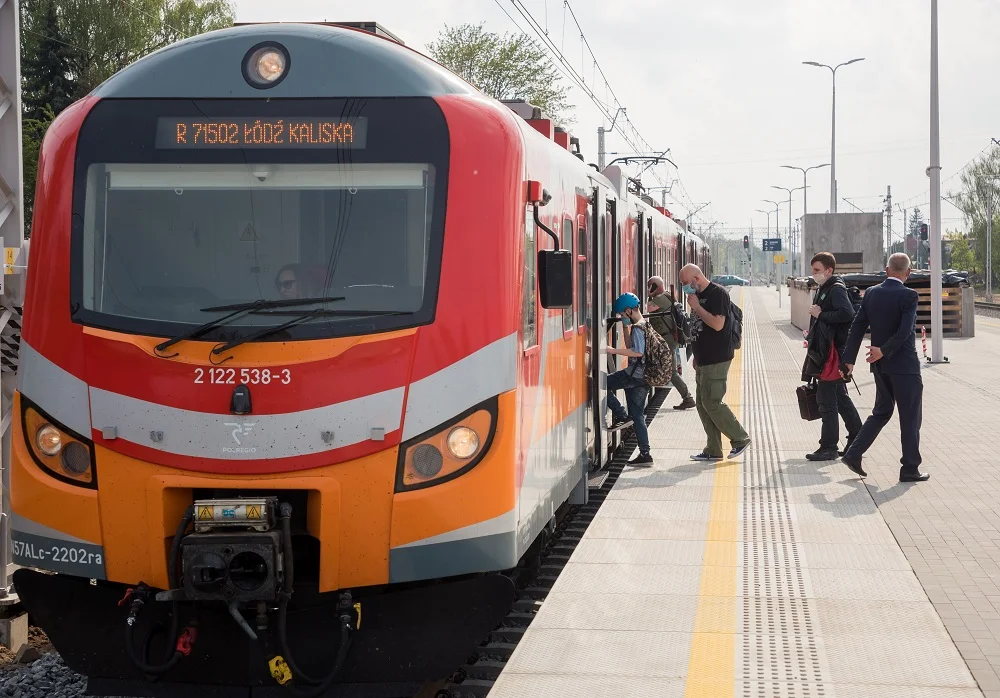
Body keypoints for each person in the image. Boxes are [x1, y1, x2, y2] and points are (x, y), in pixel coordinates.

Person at [841, 253, 928, 482]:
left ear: (886, 270)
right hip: (905, 367)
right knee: (909, 418)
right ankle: (910, 469)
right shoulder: (909, 296)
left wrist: (848, 359)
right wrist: (884, 350)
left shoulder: (871, 293)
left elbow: (857, 327)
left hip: (880, 367)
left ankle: (854, 453)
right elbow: (905, 331)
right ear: (908, 273)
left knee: (881, 412)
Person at [679, 264, 751, 462]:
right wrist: (696, 356)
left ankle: (740, 438)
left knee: (712, 402)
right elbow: (698, 328)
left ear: (696, 278)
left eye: (685, 283)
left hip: (717, 357)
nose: (684, 287)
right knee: (703, 404)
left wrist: (696, 307)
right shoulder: (698, 296)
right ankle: (713, 449)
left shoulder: (717, 293)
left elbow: (718, 324)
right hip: (703, 358)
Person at [800, 252, 864, 461]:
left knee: (826, 400)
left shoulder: (835, 289)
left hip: (833, 354)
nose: (814, 274)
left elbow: (847, 314)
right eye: (813, 270)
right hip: (829, 351)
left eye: (817, 270)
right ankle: (857, 437)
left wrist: (820, 315)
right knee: (839, 398)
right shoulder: (825, 287)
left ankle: (828, 446)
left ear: (829, 270)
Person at [605, 292, 653, 467]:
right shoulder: (643, 325)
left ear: (628, 310)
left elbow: (638, 352)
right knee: (638, 415)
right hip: (643, 377)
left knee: (600, 384)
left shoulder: (639, 328)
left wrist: (611, 350)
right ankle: (645, 454)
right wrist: (625, 326)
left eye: (622, 314)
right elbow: (630, 345)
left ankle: (621, 415)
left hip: (634, 375)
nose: (621, 317)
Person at [646, 276, 696, 410]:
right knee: (665, 371)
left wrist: (650, 295)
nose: (647, 289)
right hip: (668, 341)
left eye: (649, 286)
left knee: (671, 373)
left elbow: (648, 309)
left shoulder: (660, 298)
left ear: (654, 287)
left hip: (667, 341)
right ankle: (687, 398)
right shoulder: (667, 295)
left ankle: (688, 398)